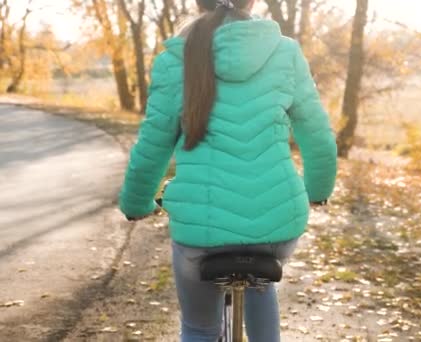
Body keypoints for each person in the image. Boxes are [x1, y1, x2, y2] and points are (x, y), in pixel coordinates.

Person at [118, 0, 337, 341]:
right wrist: (318, 190)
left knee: (199, 326)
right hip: (277, 222)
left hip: (200, 231)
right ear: (252, 2)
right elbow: (318, 136)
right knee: (260, 281)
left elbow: (152, 147)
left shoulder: (174, 60)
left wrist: (136, 203)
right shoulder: (285, 53)